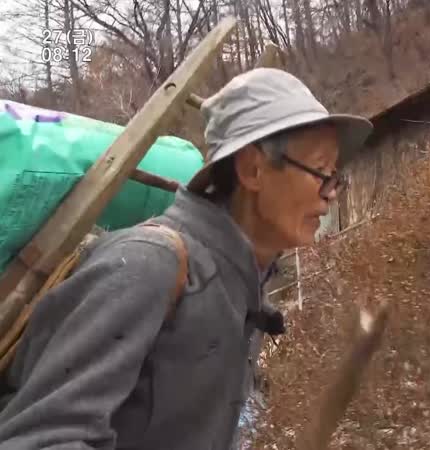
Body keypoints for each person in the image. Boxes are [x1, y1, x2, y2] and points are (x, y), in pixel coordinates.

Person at [0, 68, 373, 450]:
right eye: (320, 171)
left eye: (335, 176)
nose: (331, 193)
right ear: (253, 169)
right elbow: (38, 440)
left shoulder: (243, 287)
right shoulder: (148, 268)